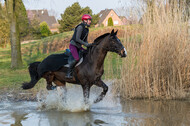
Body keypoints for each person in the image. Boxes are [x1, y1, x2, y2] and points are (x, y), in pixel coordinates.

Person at [65, 14, 92, 79]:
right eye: (89, 20)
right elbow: (77, 39)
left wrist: (89, 45)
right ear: (85, 20)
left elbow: (85, 40)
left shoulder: (87, 30)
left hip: (79, 47)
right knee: (76, 58)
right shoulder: (80, 27)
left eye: (90, 20)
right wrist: (86, 44)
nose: (90, 21)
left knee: (87, 54)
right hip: (73, 45)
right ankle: (69, 73)